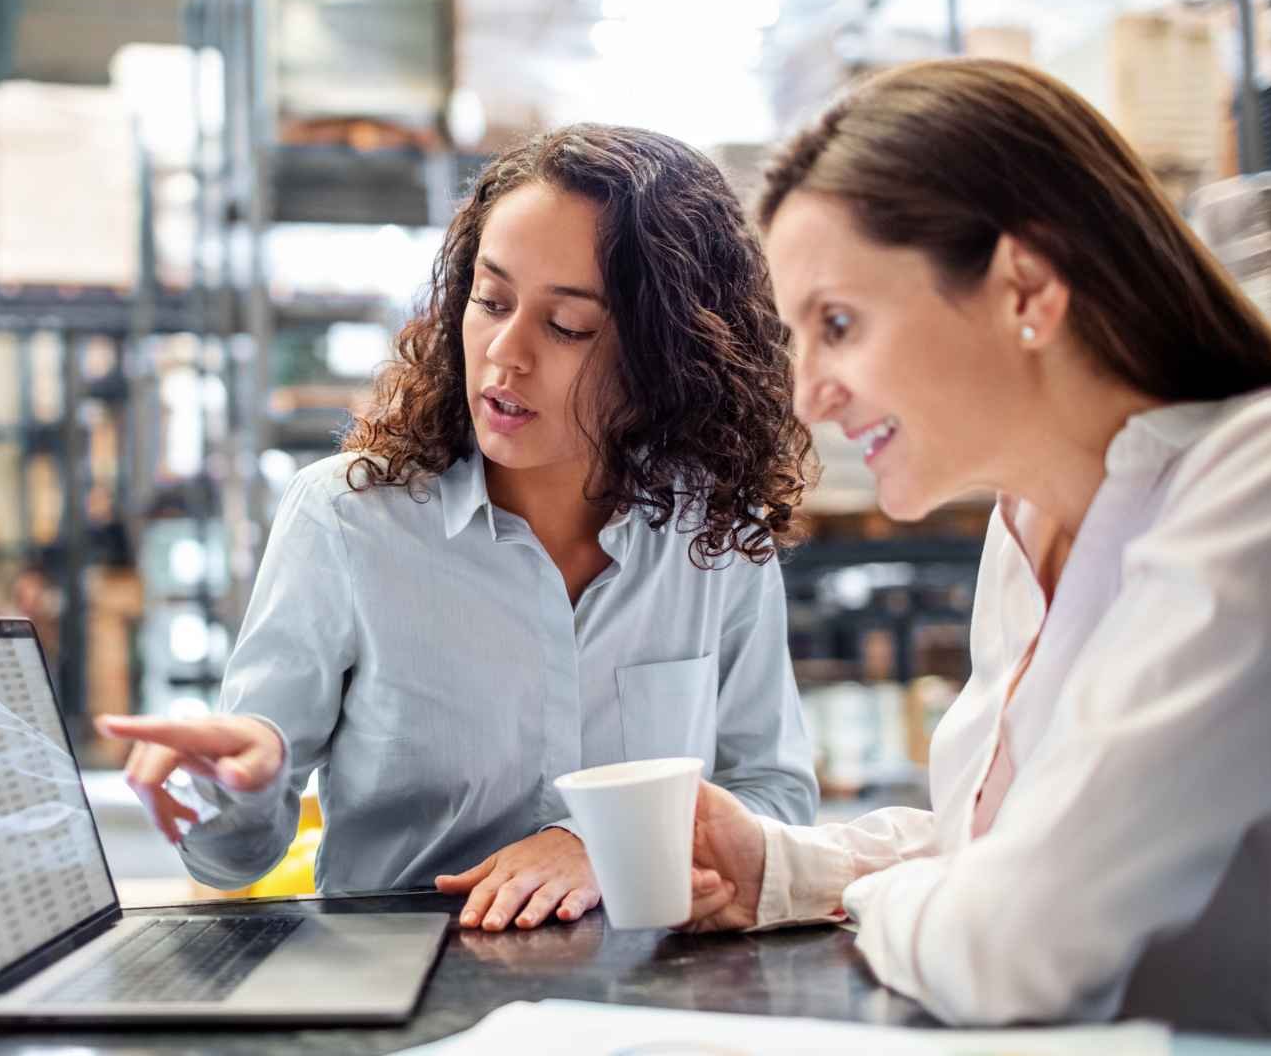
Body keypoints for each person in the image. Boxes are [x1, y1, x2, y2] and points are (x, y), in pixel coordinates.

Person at [678, 58, 1271, 1040]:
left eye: (838, 324)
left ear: (1026, 287)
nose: (808, 395)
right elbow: (1007, 844)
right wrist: (781, 869)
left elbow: (1013, 945)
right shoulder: (1027, 520)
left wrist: (876, 903)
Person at [100, 123, 818, 932]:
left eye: (568, 326)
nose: (506, 354)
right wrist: (245, 784)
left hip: (647, 987)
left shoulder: (715, 534)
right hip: (406, 992)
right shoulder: (346, 521)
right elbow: (232, 860)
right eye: (491, 300)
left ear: (668, 355)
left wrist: (598, 843)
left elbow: (776, 798)